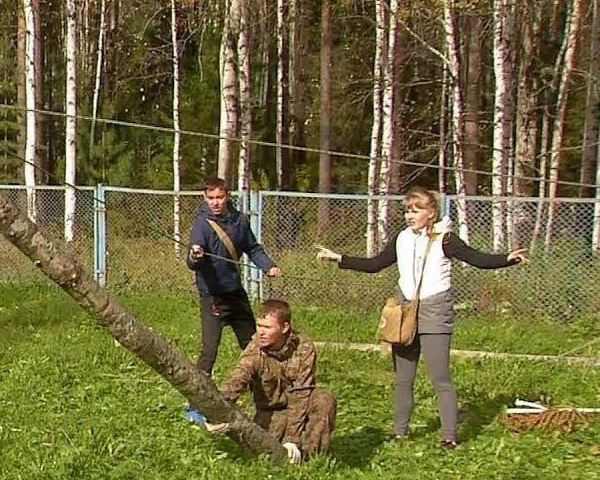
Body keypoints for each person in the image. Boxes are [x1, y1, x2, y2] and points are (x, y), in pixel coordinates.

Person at [317, 187, 528, 449]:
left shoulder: (446, 239)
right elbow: (376, 264)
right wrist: (340, 258)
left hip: (435, 309)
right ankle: (400, 431)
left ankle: (449, 436)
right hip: (405, 310)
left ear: (431, 213)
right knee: (404, 378)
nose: (410, 215)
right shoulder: (402, 239)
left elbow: (476, 259)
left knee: (440, 377)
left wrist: (506, 259)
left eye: (416, 210)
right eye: (407, 210)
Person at [204, 300, 336, 463]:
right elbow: (236, 380)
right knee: (265, 454)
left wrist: (292, 439)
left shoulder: (304, 348)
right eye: (259, 326)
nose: (261, 333)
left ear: (285, 327)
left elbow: (302, 393)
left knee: (323, 398)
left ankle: (312, 458)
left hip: (300, 408)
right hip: (270, 413)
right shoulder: (254, 352)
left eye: (267, 327)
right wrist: (216, 411)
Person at [186, 177, 282, 377]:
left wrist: (268, 266)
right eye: (211, 197)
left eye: (219, 197)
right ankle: (197, 401)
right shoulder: (202, 225)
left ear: (227, 196)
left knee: (253, 345)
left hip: (235, 294)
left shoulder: (239, 221)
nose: (215, 202)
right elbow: (192, 262)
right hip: (212, 297)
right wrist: (196, 255)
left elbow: (253, 249)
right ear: (205, 198)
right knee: (209, 351)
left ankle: (266, 388)